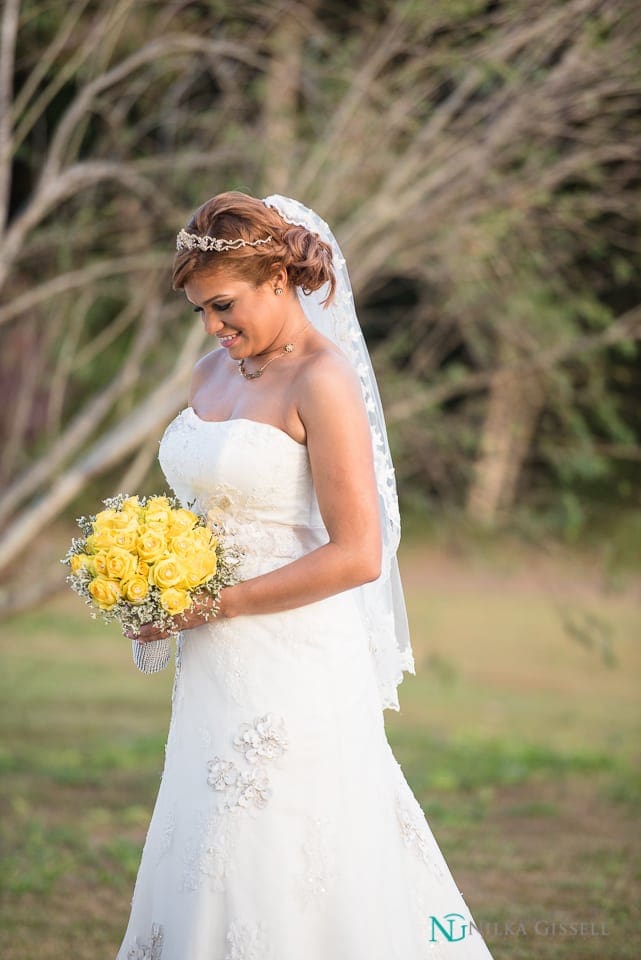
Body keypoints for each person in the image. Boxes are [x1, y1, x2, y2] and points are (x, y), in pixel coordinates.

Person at [116, 192, 494, 959]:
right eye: (200, 312)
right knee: (206, 836)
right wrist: (149, 574)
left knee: (287, 850)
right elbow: (214, 506)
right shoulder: (210, 372)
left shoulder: (321, 381)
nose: (214, 328)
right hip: (213, 661)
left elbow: (358, 552)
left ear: (279, 279)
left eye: (223, 306)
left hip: (293, 660)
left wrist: (216, 603)